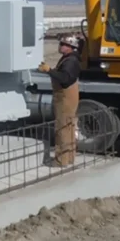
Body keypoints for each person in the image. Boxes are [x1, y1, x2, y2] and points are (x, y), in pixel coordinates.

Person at [38, 34, 81, 166]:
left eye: (64, 45)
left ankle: (61, 160)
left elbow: (64, 78)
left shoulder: (70, 61)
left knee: (62, 127)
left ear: (71, 47)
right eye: (61, 44)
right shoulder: (70, 58)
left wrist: (49, 70)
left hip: (65, 96)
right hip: (68, 94)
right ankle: (69, 157)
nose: (60, 46)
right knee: (69, 126)